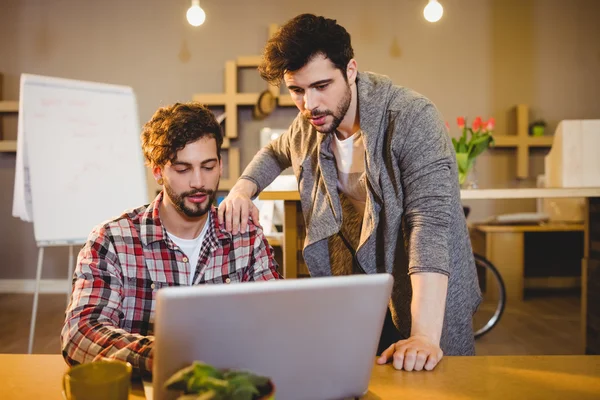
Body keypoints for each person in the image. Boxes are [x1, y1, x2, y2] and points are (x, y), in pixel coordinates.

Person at [219, 14, 481, 372]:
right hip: (361, 281)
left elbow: (429, 226)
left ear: (351, 70)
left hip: (423, 282)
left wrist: (423, 335)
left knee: (436, 380)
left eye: (322, 85)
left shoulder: (411, 118)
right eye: (297, 90)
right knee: (356, 374)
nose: (309, 104)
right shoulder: (310, 125)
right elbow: (275, 151)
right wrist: (242, 190)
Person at [61, 102, 281, 376]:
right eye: (182, 169)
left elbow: (277, 322)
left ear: (221, 165)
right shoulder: (113, 240)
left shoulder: (244, 236)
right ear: (157, 171)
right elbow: (80, 333)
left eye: (208, 166)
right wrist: (170, 357)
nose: (199, 182)